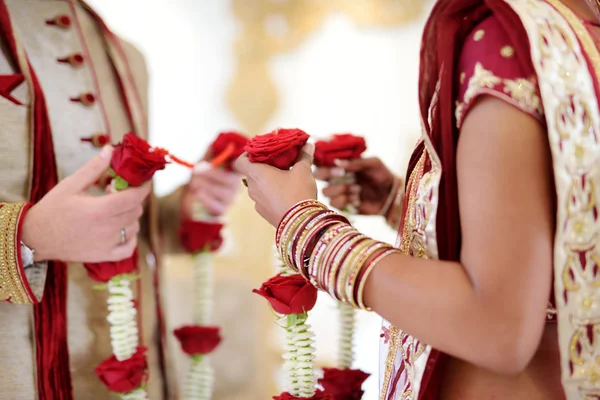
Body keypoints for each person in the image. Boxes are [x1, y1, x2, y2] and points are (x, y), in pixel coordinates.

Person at [235, 0, 600, 398]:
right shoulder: (581, 29)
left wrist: (307, 229)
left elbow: (496, 326)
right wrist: (405, 206)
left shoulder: (507, 38)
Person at [0, 0, 240, 399]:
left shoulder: (127, 57)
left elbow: (107, 213)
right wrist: (26, 237)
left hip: (131, 373)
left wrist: (178, 211)